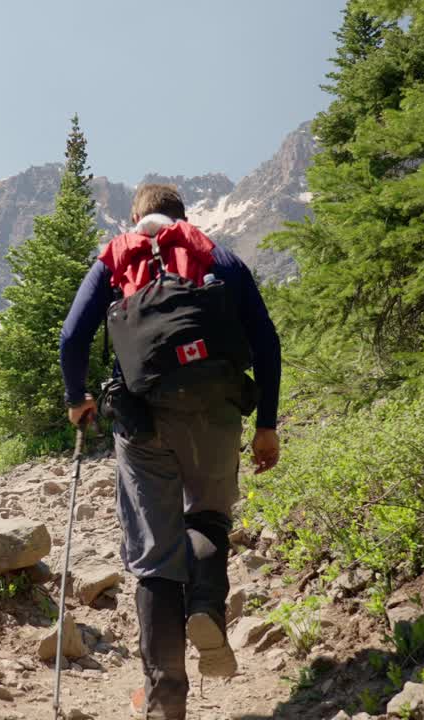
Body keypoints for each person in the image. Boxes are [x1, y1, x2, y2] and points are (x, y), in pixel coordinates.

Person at [58, 184, 281, 719]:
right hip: (217, 409)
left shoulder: (115, 257)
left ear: (136, 217)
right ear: (182, 217)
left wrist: (77, 399)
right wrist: (266, 425)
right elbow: (267, 342)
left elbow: (71, 339)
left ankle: (165, 703)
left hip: (142, 420)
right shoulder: (216, 255)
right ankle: (205, 606)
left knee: (156, 556)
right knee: (207, 517)